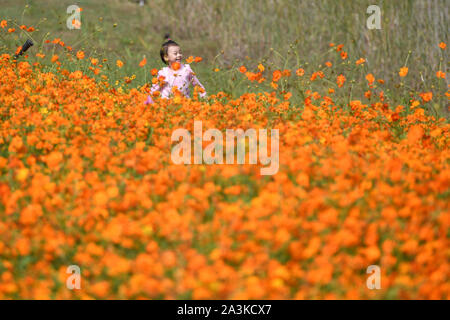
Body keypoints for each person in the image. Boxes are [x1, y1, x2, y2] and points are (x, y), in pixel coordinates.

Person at [144, 34, 207, 104]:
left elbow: (197, 85)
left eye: (180, 52)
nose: (179, 55)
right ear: (166, 57)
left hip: (184, 103)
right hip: (166, 104)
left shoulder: (186, 69)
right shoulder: (163, 72)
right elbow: (155, 89)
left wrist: (204, 98)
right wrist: (147, 101)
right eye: (175, 53)